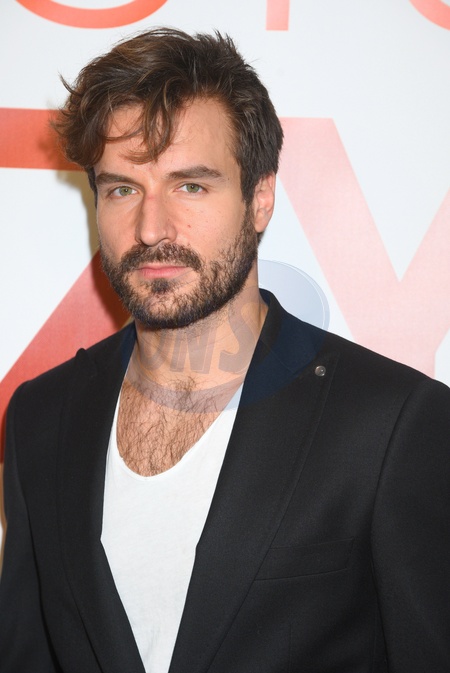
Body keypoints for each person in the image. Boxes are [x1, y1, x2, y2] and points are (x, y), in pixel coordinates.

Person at [0, 27, 449, 673]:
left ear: (260, 199)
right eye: (122, 188)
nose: (151, 229)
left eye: (190, 185)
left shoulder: (391, 425)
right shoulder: (41, 418)